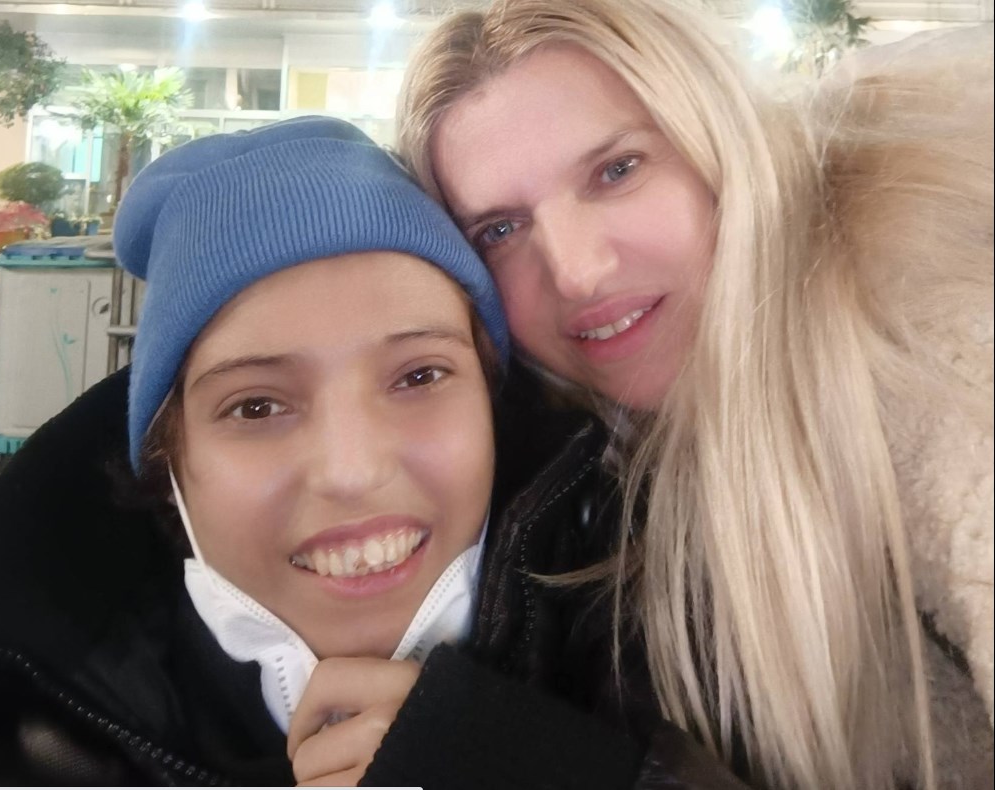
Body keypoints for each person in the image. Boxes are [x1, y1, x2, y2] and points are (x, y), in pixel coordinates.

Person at [0, 117, 749, 788]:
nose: (353, 471)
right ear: (168, 462)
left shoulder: (684, 636)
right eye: (256, 405)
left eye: (419, 376)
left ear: (493, 405)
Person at [395, 1, 994, 788]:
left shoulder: (924, 348)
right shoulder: (597, 464)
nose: (576, 272)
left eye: (616, 170)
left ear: (717, 142)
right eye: (500, 230)